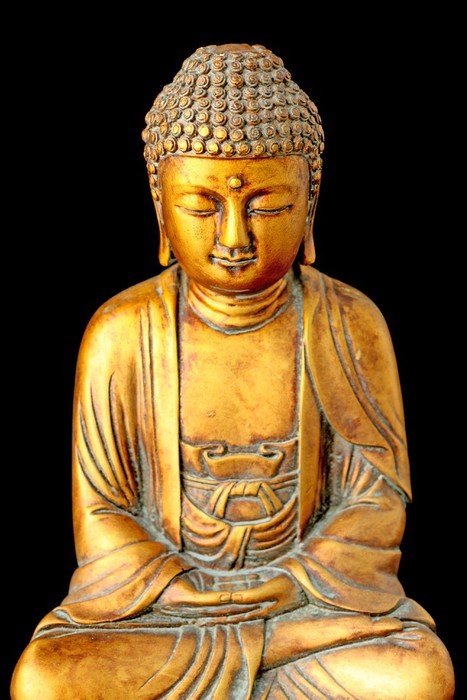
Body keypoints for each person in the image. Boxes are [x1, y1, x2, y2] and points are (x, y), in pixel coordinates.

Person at [11, 43, 455, 699]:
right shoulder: (122, 331)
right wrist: (174, 587)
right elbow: (103, 510)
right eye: (201, 206)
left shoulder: (348, 323)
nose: (233, 239)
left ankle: (273, 645)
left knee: (415, 675)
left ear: (310, 204)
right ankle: (272, 649)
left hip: (305, 600)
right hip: (170, 611)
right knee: (47, 678)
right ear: (160, 206)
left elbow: (375, 502)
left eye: (267, 206)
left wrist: (291, 584)